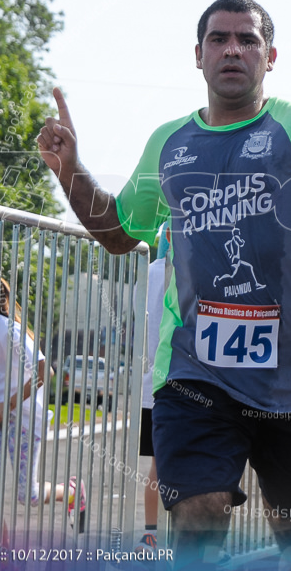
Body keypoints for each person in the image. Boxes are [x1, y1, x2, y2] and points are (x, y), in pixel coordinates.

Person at [36, 0, 291, 566]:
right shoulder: (170, 143)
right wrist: (71, 171)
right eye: (219, 39)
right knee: (197, 511)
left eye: (247, 40)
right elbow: (119, 232)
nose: (232, 49)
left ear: (270, 56)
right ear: (198, 56)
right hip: (195, 373)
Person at [0, 266, 83, 546]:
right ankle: (6, 552)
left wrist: (8, 404)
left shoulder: (8, 331)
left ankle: (71, 492)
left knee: (28, 495)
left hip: (22, 417)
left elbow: (46, 372)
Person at [136, 224, 169, 554]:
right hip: (187, 381)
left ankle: (150, 536)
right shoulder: (198, 265)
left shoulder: (149, 272)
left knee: (158, 466)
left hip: (153, 383)